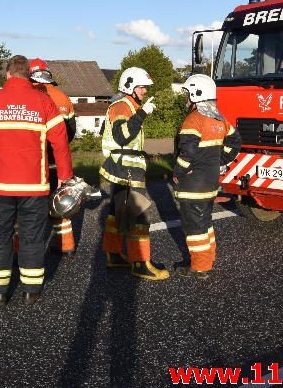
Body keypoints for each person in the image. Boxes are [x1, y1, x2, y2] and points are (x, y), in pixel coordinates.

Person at [0, 55, 73, 306]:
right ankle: (30, 291)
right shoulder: (43, 101)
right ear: (29, 76)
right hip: (34, 186)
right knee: (32, 237)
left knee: (0, 236)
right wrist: (65, 176)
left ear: (8, 75)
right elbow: (60, 141)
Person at [99, 66, 169, 280]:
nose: (145, 91)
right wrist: (142, 114)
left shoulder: (123, 104)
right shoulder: (122, 106)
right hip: (125, 167)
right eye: (142, 87)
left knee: (116, 214)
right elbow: (122, 136)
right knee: (139, 216)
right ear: (129, 86)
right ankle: (140, 263)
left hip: (120, 166)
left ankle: (113, 255)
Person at [173, 74, 242, 279]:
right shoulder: (219, 118)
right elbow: (235, 142)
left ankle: (200, 267)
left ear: (195, 94)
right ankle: (208, 258)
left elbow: (188, 152)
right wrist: (220, 161)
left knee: (194, 226)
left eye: (188, 94)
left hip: (194, 184)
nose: (186, 98)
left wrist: (178, 172)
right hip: (211, 182)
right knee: (204, 222)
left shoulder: (194, 119)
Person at [29, 58, 77, 256]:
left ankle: (29, 249)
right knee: (59, 201)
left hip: (35, 160)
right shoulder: (63, 97)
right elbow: (71, 132)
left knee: (31, 205)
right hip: (59, 160)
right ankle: (66, 246)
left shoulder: (30, 96)